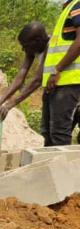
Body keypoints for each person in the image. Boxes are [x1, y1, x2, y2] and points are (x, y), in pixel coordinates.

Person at [0, 22, 50, 121]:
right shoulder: (34, 47)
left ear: (37, 41)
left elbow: (38, 80)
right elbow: (21, 76)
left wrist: (10, 105)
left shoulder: (51, 46)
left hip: (70, 89)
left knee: (58, 130)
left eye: (25, 46)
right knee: (47, 129)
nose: (23, 49)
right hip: (52, 89)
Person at [41, 0, 80, 146]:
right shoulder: (67, 8)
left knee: (59, 133)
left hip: (68, 80)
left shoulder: (77, 5)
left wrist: (57, 69)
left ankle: (63, 168)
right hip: (57, 81)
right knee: (48, 132)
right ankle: (51, 167)